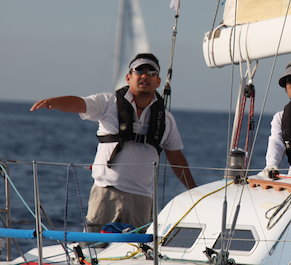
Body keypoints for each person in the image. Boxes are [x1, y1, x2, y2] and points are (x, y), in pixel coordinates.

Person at [31, 53, 196, 231]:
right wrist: (55, 102)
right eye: (139, 70)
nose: (145, 75)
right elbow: (80, 104)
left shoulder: (166, 120)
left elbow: (176, 157)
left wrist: (194, 192)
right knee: (94, 245)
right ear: (128, 77)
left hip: (141, 199)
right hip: (106, 193)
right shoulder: (109, 103)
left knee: (135, 248)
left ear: (158, 81)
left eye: (151, 72)